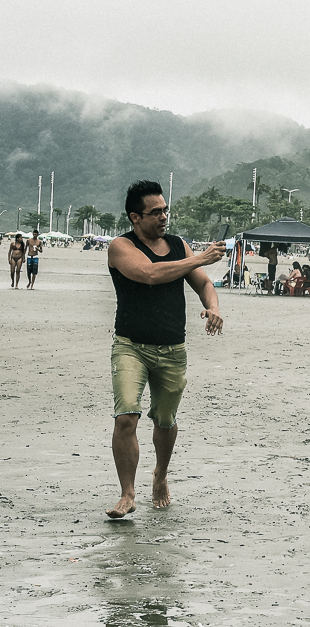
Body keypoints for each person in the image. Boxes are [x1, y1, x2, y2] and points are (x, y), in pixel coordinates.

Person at [105, 180, 226, 519]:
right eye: (155, 212)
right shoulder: (120, 246)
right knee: (126, 416)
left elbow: (202, 281)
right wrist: (199, 257)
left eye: (165, 210)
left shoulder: (177, 245)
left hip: (172, 348)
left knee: (165, 420)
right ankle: (127, 494)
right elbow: (150, 274)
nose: (163, 217)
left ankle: (160, 474)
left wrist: (213, 306)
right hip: (131, 346)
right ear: (135, 217)